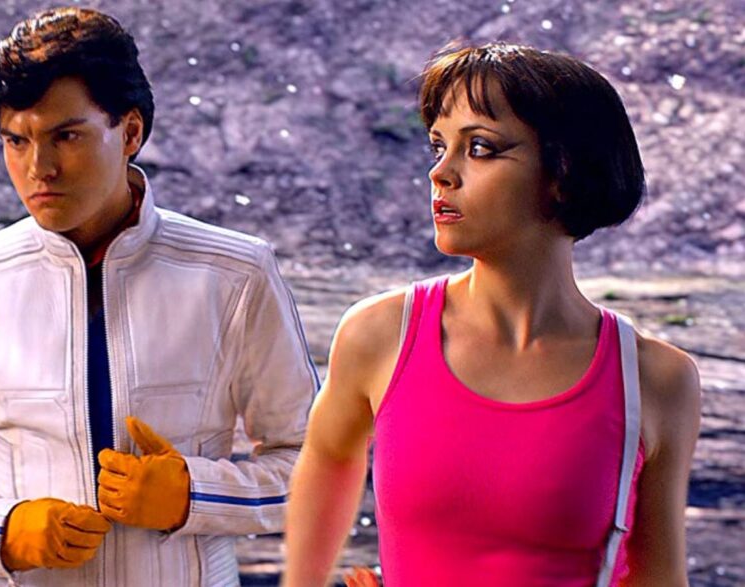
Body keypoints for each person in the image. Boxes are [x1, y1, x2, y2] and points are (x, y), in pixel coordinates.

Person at [0, 7, 318, 586]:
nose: (39, 168)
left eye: (66, 136)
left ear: (130, 132)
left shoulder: (235, 272)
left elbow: (316, 463)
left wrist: (195, 495)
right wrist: (1, 530)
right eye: (16, 141)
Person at [282, 43, 701, 587]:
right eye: (439, 146)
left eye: (480, 148)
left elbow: (659, 577)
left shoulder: (655, 380)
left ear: (565, 172)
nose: (440, 173)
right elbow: (327, 461)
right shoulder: (379, 334)